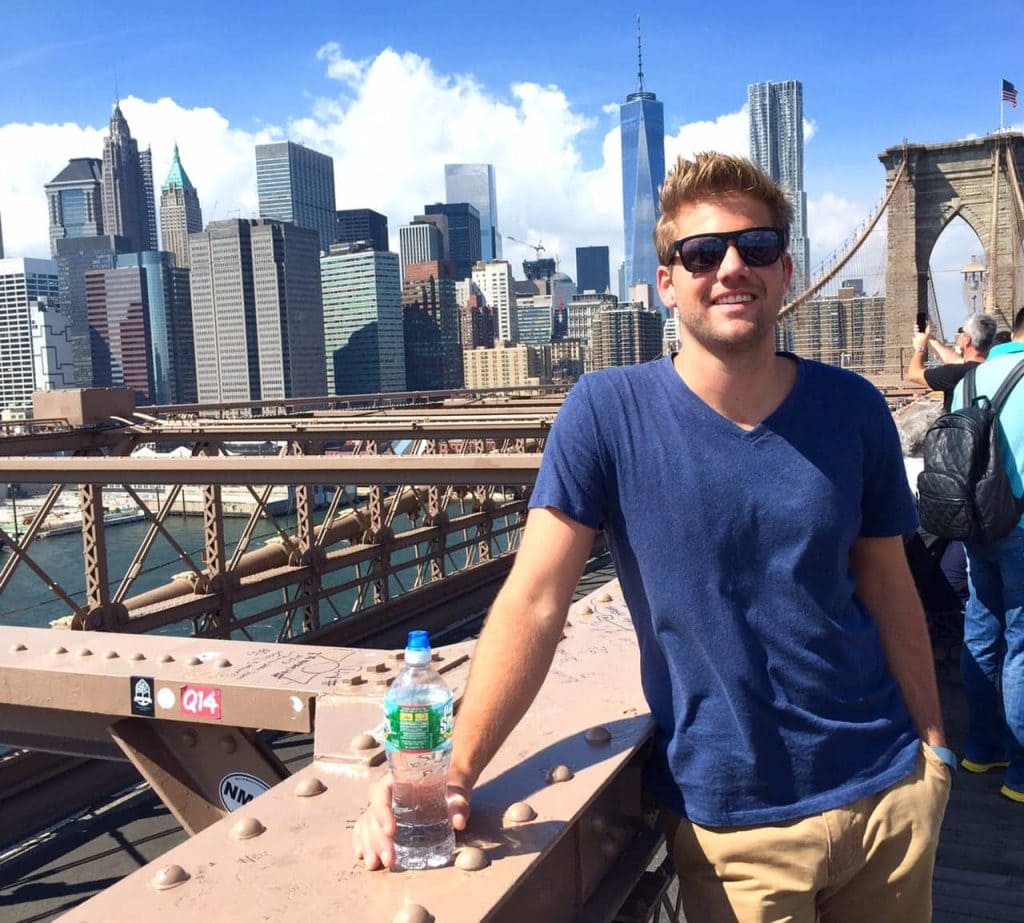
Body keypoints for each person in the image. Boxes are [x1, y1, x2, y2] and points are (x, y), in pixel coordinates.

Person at [354, 153, 951, 922]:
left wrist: (934, 754)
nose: (733, 266)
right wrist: (450, 770)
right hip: (737, 833)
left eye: (757, 247)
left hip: (888, 799)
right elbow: (536, 601)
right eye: (703, 253)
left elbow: (888, 585)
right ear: (667, 281)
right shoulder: (606, 413)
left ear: (785, 267)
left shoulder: (854, 407)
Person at [954, 306, 1024, 801]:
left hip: (977, 527)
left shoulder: (968, 379)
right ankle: (1020, 774)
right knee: (1021, 650)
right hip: (1022, 528)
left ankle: (981, 748)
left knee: (981, 636)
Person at [906, 312, 997, 411]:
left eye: (962, 331)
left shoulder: (954, 374)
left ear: (967, 339)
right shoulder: (993, 367)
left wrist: (920, 348)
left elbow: (914, 374)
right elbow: (956, 360)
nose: (959, 334)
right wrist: (929, 337)